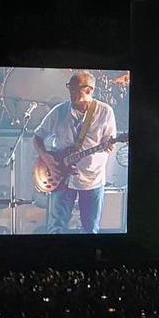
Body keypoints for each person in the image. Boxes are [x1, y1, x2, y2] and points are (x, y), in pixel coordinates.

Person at [34, 70, 117, 233]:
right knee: (56, 228)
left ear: (89, 90)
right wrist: (47, 158)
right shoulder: (59, 111)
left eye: (75, 88)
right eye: (70, 88)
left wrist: (106, 148)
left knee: (91, 229)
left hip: (92, 178)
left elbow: (110, 143)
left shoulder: (105, 112)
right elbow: (37, 137)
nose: (71, 92)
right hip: (61, 177)